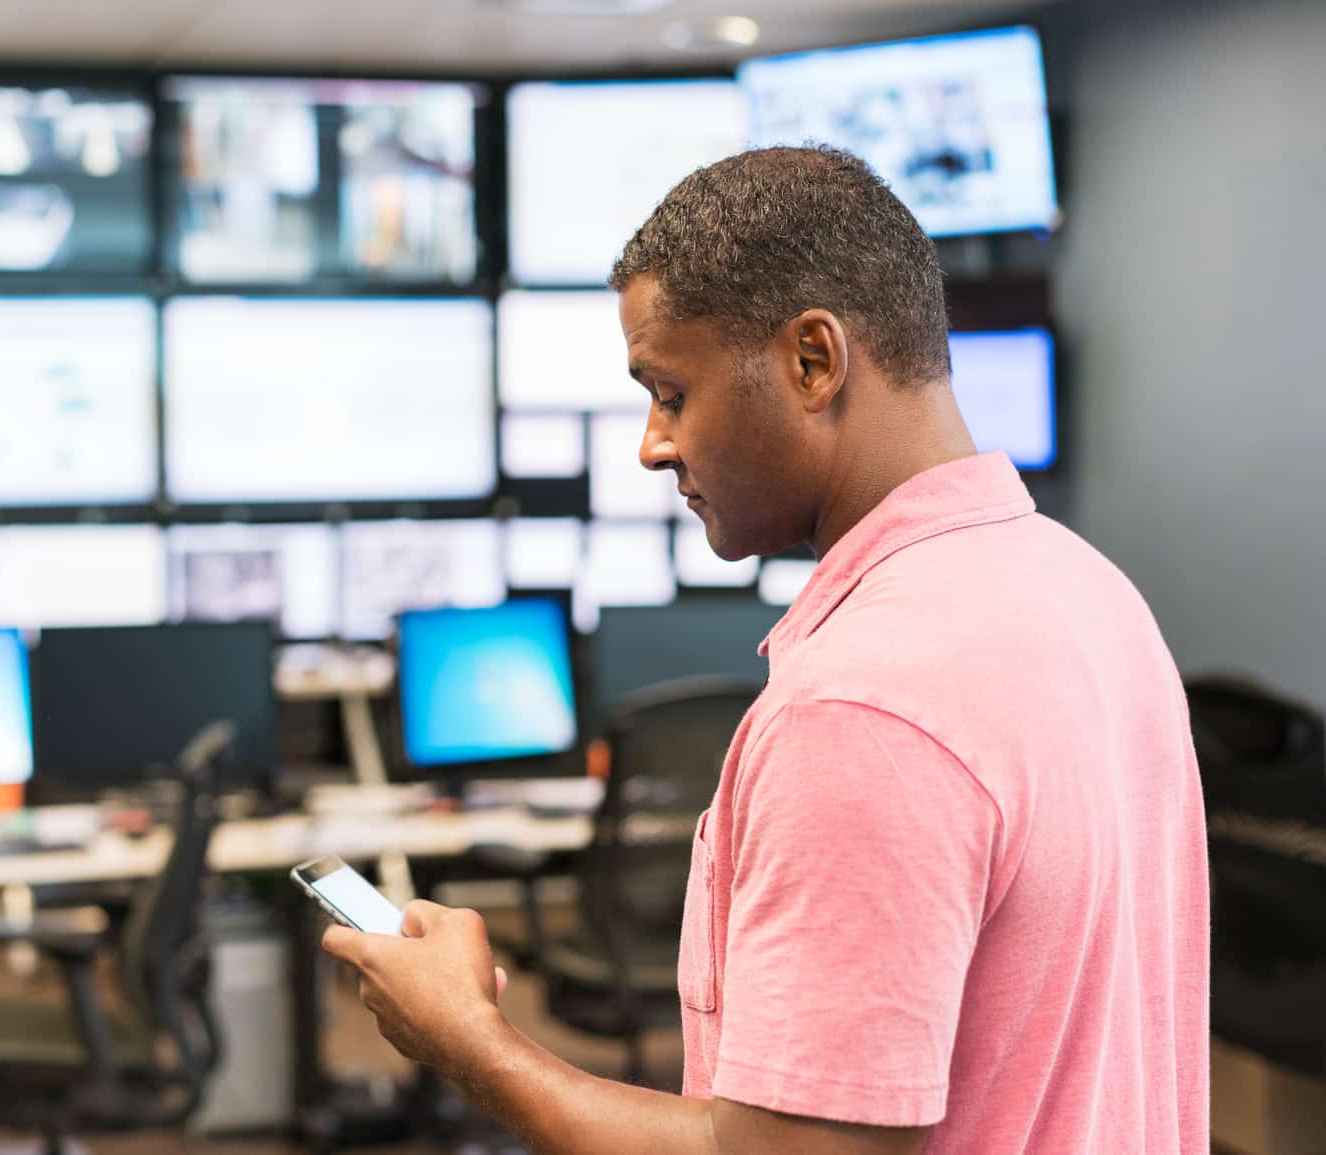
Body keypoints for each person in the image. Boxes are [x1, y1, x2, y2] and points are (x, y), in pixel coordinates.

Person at [322, 146, 1209, 1153]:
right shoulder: (1088, 592)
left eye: (668, 390)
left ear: (812, 360)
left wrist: (473, 1046)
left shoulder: (861, 707)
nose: (653, 444)